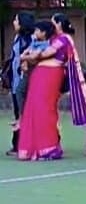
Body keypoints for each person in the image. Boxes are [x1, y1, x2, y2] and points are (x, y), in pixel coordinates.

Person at [16, 20, 86, 160]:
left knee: (45, 109)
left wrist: (25, 57)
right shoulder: (50, 40)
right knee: (33, 108)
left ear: (59, 24)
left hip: (51, 75)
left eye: (54, 21)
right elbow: (35, 58)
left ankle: (48, 147)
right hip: (40, 75)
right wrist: (28, 57)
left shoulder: (63, 39)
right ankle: (31, 148)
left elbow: (44, 54)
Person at [6, 11, 34, 157]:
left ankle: (28, 143)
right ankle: (17, 144)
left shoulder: (30, 39)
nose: (14, 22)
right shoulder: (18, 38)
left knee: (26, 112)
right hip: (16, 81)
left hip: (25, 82)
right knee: (18, 113)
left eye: (16, 20)